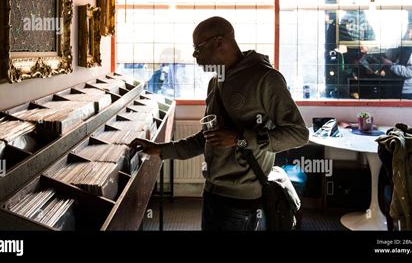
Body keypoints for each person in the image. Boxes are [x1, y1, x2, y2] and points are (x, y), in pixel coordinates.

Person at [131, 16, 309, 231]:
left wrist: (241, 139)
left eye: (198, 50)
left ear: (219, 42)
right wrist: (161, 150)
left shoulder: (266, 79)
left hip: (242, 199)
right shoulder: (216, 81)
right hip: (212, 192)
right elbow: (207, 139)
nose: (195, 58)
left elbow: (298, 134)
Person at [381, 26, 412, 99]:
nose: (402, 37)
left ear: (411, 32)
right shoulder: (406, 49)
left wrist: (391, 65)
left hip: (410, 92)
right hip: (403, 90)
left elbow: (409, 72)